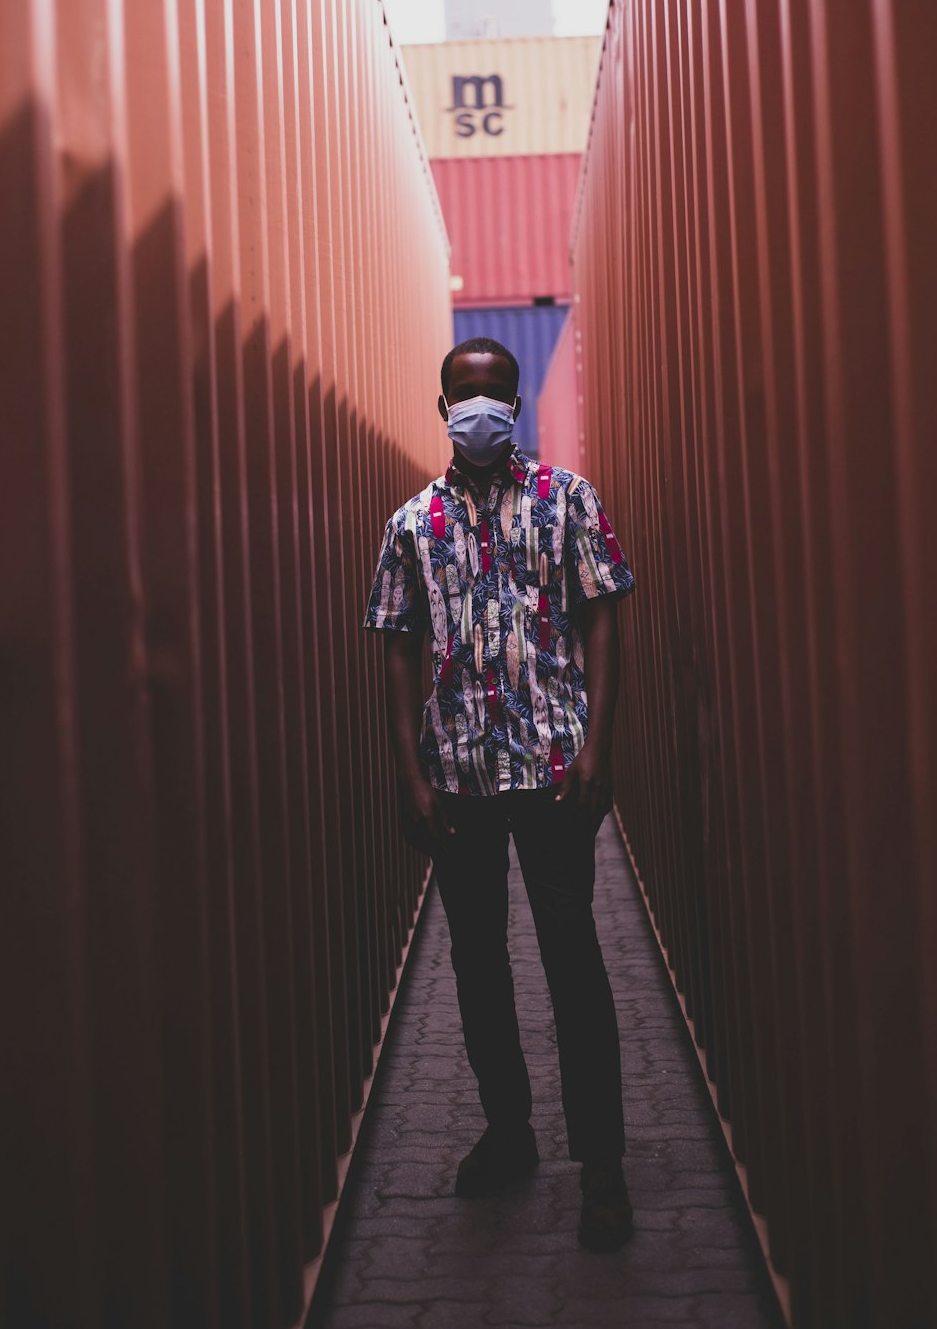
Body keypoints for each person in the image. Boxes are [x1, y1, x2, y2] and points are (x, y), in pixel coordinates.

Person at [363, 336, 636, 1252]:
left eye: (494, 392)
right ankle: (510, 1133)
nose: (479, 408)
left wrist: (599, 742)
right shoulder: (412, 525)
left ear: (514, 403)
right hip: (459, 776)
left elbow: (603, 614)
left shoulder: (567, 502)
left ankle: (603, 1167)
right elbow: (397, 648)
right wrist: (409, 772)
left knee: (574, 961)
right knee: (478, 961)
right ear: (441, 406)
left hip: (556, 769)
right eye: (464, 394)